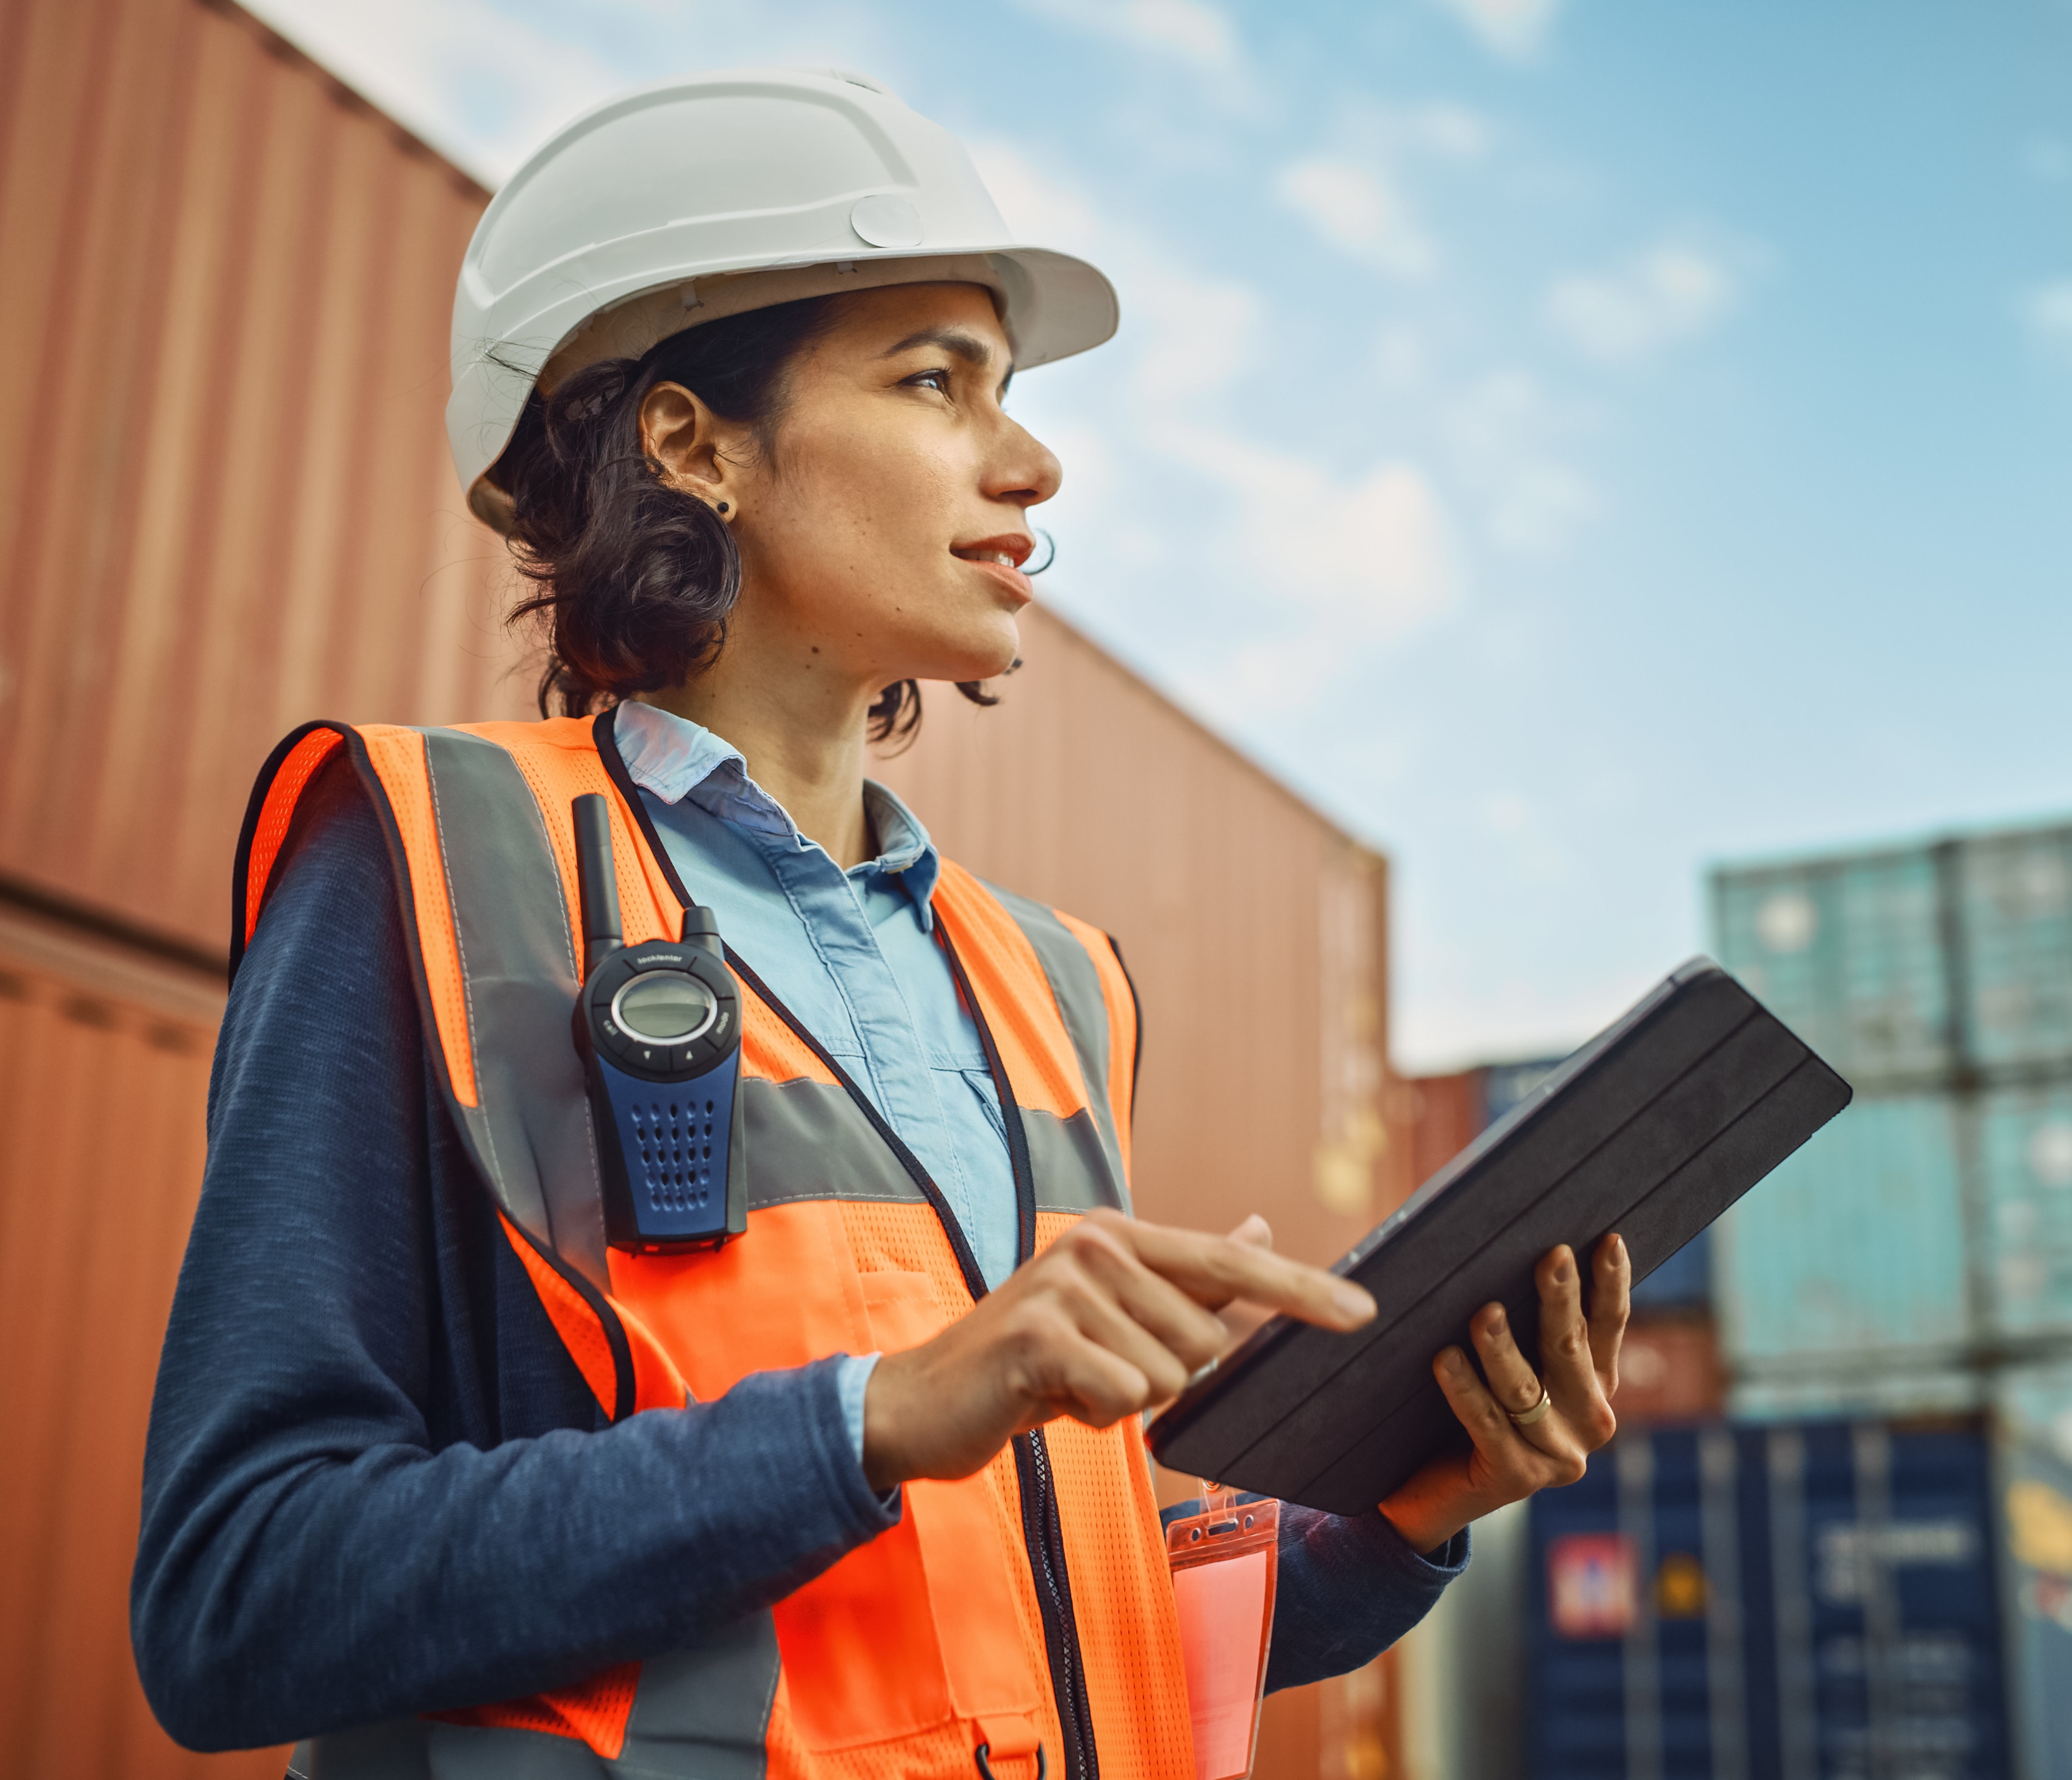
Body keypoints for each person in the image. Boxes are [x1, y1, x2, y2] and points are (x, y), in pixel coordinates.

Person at [130, 68, 1634, 1779]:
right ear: (695, 441)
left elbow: (1031, 1629)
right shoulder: (426, 859)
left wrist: (1402, 1518)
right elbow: (234, 1598)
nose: (1038, 456)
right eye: (939, 381)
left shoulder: (1055, 986)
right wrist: (875, 1415)